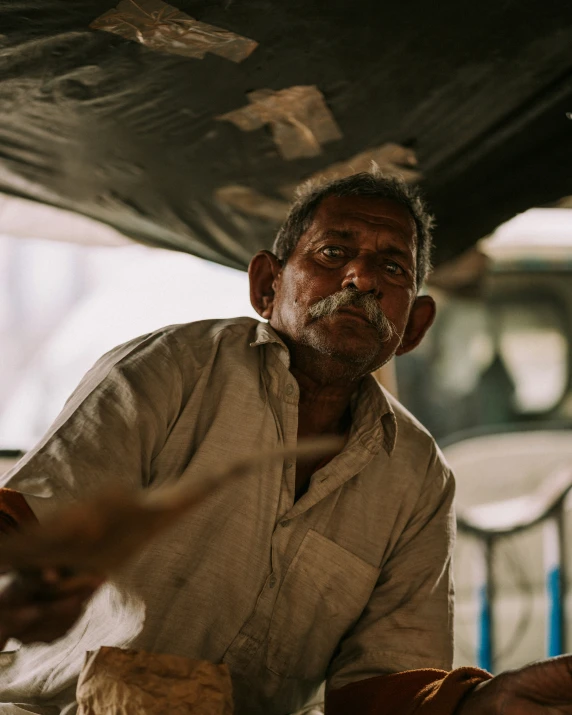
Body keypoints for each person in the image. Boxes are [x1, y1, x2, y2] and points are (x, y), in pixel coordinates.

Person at [0, 170, 571, 715]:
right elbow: (22, 528)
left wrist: (486, 703)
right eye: (332, 253)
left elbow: (387, 688)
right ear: (268, 285)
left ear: (414, 327)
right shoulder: (170, 371)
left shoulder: (418, 476)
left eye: (392, 267)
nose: (362, 278)